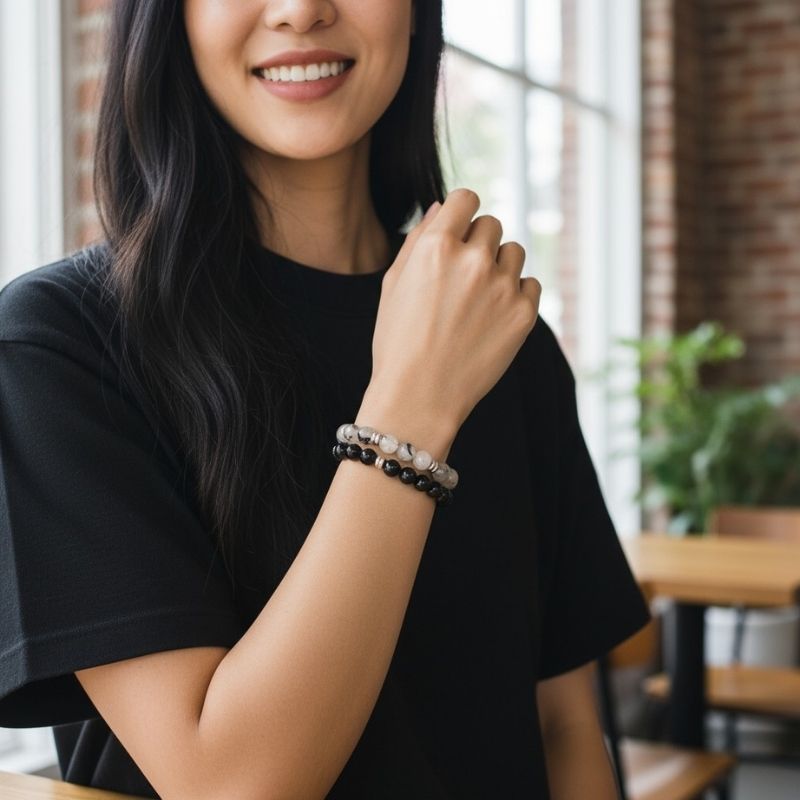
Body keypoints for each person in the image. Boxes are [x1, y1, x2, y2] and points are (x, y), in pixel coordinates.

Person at [0, 1, 651, 798]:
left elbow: (565, 723)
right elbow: (227, 785)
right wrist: (415, 405)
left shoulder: (503, 333)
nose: (303, 9)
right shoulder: (64, 344)